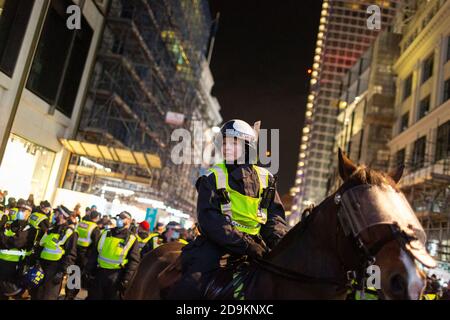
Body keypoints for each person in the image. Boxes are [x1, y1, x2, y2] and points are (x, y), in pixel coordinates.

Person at [168, 119, 288, 299]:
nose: (226, 147)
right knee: (190, 285)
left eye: (233, 142)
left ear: (247, 146)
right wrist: (246, 245)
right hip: (218, 245)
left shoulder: (267, 179)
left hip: (258, 246)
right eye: (223, 142)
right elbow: (209, 219)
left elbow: (274, 219)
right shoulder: (211, 177)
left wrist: (280, 244)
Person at [86, 211, 140, 300]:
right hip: (100, 273)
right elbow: (95, 252)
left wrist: (126, 279)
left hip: (116, 276)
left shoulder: (132, 239)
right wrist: (88, 270)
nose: (119, 220)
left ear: (129, 221)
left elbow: (133, 262)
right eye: (119, 217)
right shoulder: (106, 233)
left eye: (122, 218)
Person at [30, 205, 78, 300]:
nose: (54, 214)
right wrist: (35, 261)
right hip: (42, 266)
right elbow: (41, 245)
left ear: (62, 215)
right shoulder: (51, 229)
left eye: (56, 213)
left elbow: (70, 255)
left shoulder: (70, 232)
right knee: (36, 294)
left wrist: (62, 271)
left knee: (48, 296)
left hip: (55, 269)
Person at [0, 203, 37, 299]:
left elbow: (17, 242)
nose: (20, 212)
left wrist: (6, 239)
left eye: (23, 210)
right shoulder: (9, 224)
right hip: (2, 262)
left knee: (13, 292)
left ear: (29, 213)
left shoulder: (30, 229)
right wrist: (7, 239)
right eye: (19, 209)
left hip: (16, 265)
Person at [64, 210, 101, 300]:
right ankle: (70, 295)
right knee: (78, 276)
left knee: (73, 273)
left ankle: (68, 294)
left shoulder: (80, 223)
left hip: (75, 250)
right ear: (96, 218)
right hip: (85, 254)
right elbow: (96, 244)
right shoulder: (95, 228)